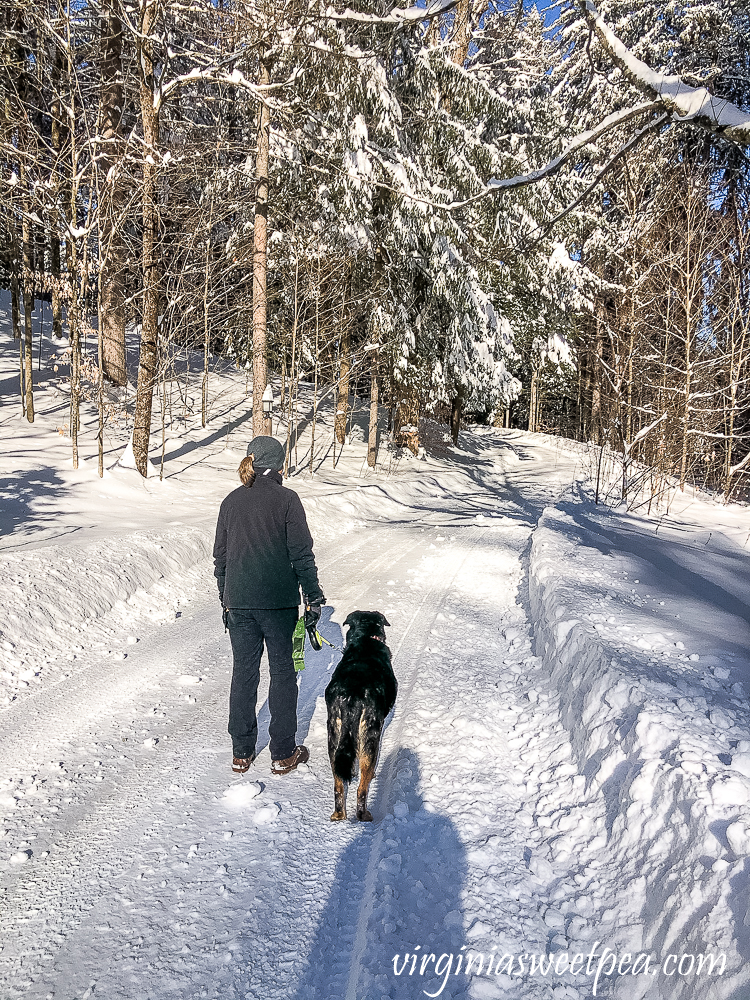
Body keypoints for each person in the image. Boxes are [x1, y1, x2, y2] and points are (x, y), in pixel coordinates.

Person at [213, 435, 325, 775]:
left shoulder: (231, 501)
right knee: (284, 674)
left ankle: (241, 752)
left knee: (243, 674)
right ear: (279, 464)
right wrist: (314, 597)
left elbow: (221, 557)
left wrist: (225, 598)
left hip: (240, 606)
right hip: (279, 606)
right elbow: (301, 553)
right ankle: (282, 752)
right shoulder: (287, 499)